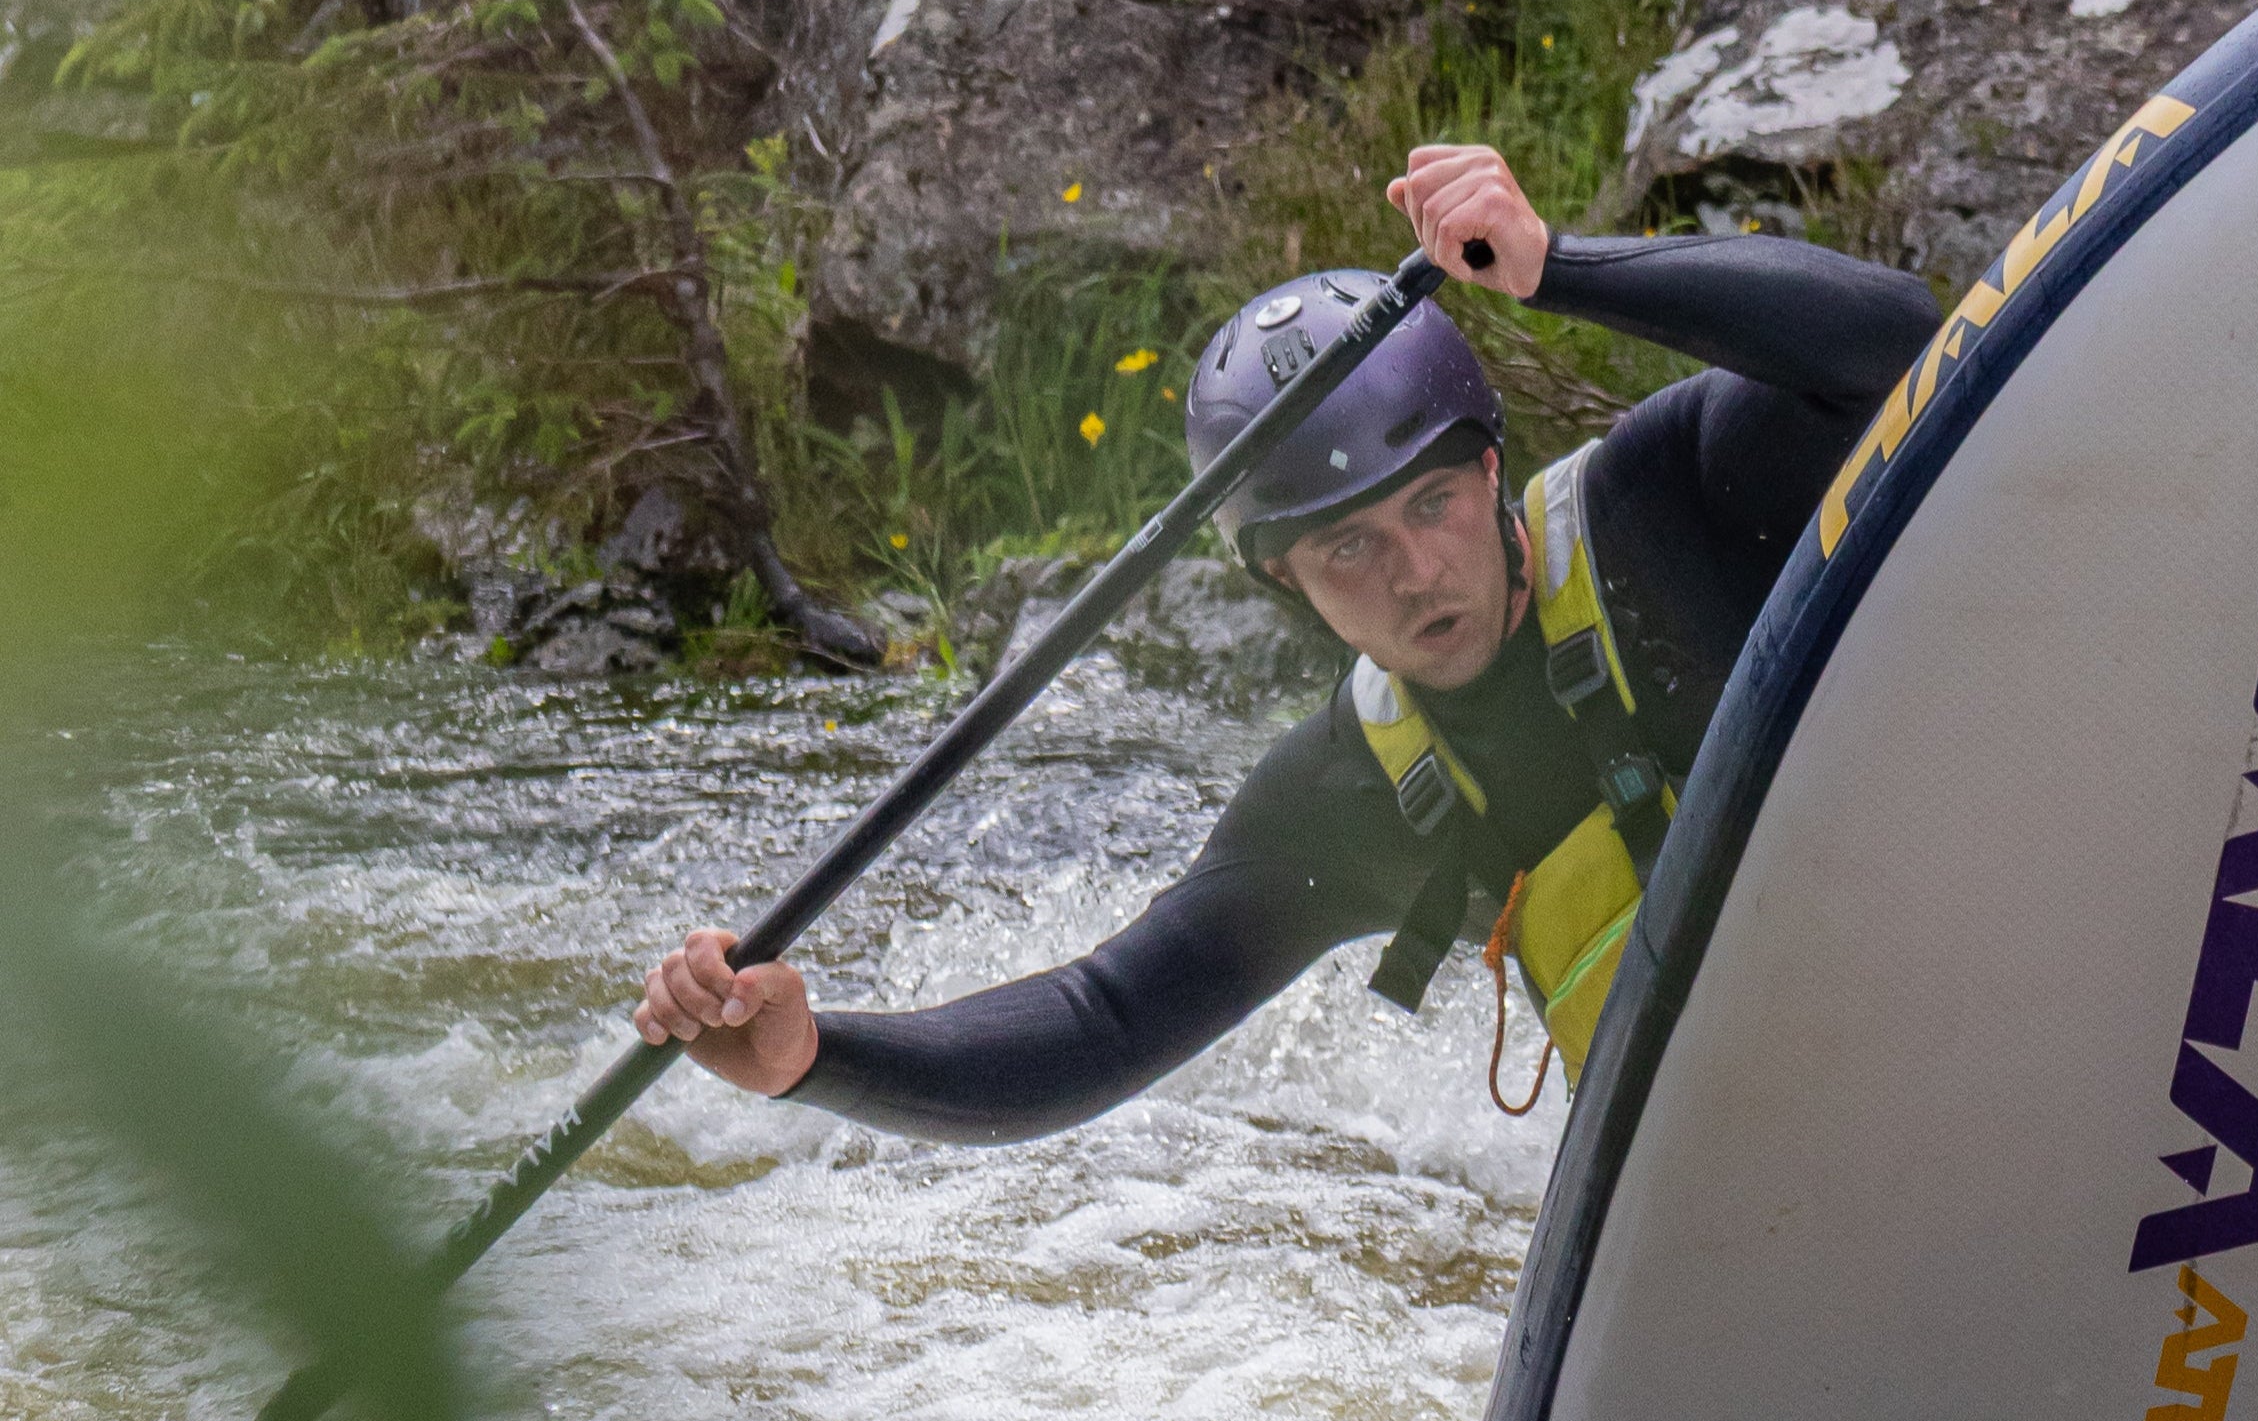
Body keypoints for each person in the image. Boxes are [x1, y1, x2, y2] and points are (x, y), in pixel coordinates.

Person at [633, 142, 1939, 1133]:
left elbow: (1898, 346)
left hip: (1944, 1023)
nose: (1417, 573)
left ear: (1490, 471)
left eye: (1431, 504)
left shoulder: (1671, 506)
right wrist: (812, 1058)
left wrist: (1557, 268)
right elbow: (1106, 1019)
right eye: (1349, 548)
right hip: (1738, 1170)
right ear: (1284, 584)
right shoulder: (1352, 793)